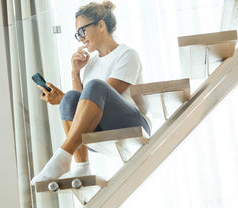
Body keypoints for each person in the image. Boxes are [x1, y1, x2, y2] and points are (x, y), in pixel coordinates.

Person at [31, 1, 150, 185]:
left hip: (132, 124)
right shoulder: (90, 64)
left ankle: (62, 156)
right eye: (77, 34)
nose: (80, 38)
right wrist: (75, 73)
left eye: (82, 31)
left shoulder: (127, 55)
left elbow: (105, 98)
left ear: (101, 25)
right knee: (71, 97)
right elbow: (81, 105)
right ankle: (81, 166)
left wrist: (62, 98)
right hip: (101, 129)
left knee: (94, 87)